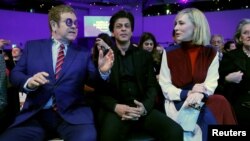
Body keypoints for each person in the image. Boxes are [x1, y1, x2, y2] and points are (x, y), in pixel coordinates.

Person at [0, 5, 114, 141]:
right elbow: (15, 74)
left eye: (76, 23)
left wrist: (102, 72)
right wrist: (29, 82)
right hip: (35, 116)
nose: (74, 26)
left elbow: (95, 82)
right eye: (68, 22)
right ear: (54, 25)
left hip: (73, 117)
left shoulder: (83, 53)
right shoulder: (33, 47)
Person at [96, 10, 183, 141]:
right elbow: (99, 92)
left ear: (131, 31)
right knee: (107, 138)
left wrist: (144, 108)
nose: (123, 29)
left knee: (175, 131)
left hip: (141, 109)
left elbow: (152, 87)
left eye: (127, 26)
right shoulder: (104, 57)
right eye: (119, 26)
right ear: (113, 32)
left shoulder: (144, 56)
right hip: (117, 111)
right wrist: (103, 74)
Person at [159, 8, 236, 141]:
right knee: (206, 110)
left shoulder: (211, 52)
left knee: (220, 101)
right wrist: (187, 93)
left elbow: (211, 83)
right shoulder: (169, 52)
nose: (176, 28)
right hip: (179, 100)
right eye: (175, 24)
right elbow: (165, 86)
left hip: (203, 97)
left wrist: (200, 93)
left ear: (196, 26)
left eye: (181, 23)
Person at [218, 18, 250, 125]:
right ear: (240, 38)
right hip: (240, 107)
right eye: (246, 33)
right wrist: (227, 79)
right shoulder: (230, 57)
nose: (249, 35)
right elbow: (218, 82)